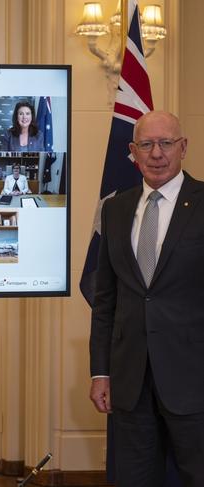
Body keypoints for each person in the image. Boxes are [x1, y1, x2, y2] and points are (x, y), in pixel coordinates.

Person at [89, 111, 204, 486]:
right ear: (132, 151)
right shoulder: (115, 209)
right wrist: (101, 371)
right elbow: (105, 299)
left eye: (166, 143)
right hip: (130, 380)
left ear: (183, 147)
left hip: (193, 379)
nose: (157, 153)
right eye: (147, 144)